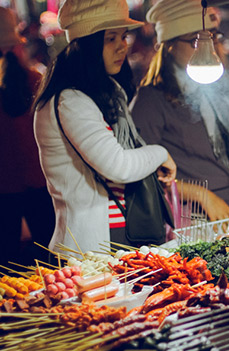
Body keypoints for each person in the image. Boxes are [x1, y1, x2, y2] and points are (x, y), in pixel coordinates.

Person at [33, 0, 177, 254]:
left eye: (123, 36)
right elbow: (118, 167)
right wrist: (161, 154)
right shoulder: (70, 101)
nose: (123, 46)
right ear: (86, 45)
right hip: (91, 247)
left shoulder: (107, 94)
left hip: (121, 238)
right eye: (111, 38)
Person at [131, 0, 229, 222]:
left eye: (214, 36)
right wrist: (200, 194)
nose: (211, 46)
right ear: (170, 45)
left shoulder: (223, 90)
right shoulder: (151, 100)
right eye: (197, 40)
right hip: (199, 221)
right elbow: (141, 174)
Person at [0, 7, 55, 266]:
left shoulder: (33, 79)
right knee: (50, 256)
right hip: (38, 181)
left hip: (5, 186)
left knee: (6, 260)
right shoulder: (34, 79)